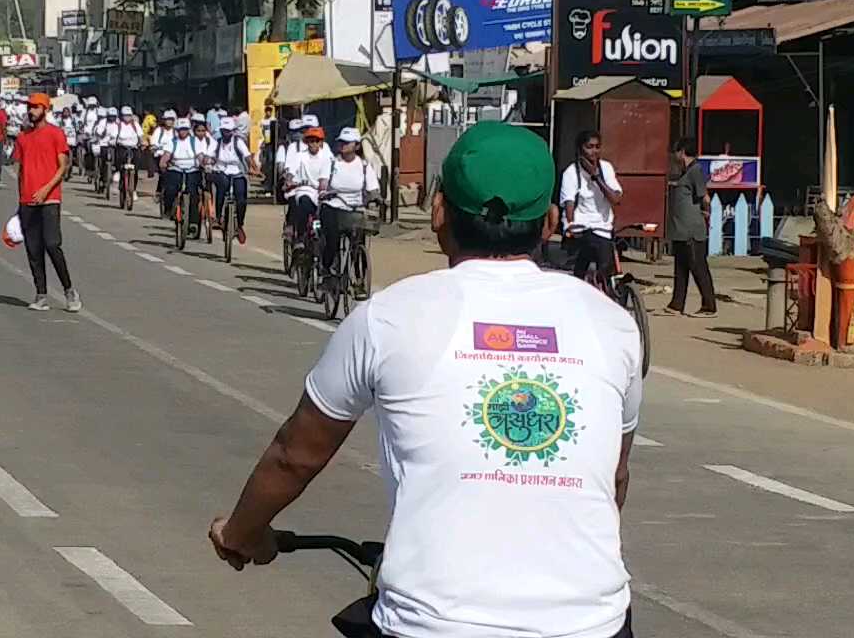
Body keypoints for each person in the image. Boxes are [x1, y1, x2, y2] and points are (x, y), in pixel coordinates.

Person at [209, 122, 642, 638]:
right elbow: (615, 474)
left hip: (432, 625)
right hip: (595, 622)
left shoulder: (388, 317)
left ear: (438, 212)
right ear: (550, 222)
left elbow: (295, 454)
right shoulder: (612, 324)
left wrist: (242, 534)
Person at [12, 93, 81, 313]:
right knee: (34, 249)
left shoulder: (55, 134)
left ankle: (69, 290)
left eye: (35, 107)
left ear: (45, 108)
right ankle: (41, 294)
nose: (31, 111)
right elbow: (20, 169)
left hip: (49, 198)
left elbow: (63, 166)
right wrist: (21, 201)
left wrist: (45, 189)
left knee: (52, 244)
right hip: (27, 200)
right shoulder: (23, 138)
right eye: (29, 107)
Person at [560, 130, 623, 285]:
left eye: (597, 147)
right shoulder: (571, 172)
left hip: (603, 226)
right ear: (581, 148)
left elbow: (615, 198)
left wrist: (596, 177)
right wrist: (570, 225)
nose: (594, 151)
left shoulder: (606, 168)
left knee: (607, 264)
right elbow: (569, 203)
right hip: (582, 226)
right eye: (589, 147)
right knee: (590, 250)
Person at [318, 127, 379, 280]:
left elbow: (373, 189)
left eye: (347, 142)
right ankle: (326, 270)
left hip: (355, 210)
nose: (343, 145)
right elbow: (323, 184)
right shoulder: (332, 163)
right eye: (341, 142)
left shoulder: (364, 166)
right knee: (332, 240)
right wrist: (324, 192)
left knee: (358, 243)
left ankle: (359, 279)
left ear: (357, 146)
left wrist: (375, 199)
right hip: (334, 207)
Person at [666, 138, 717, 318]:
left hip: (692, 231)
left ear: (682, 152)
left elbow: (705, 198)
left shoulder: (695, 171)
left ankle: (709, 306)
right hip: (680, 230)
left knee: (698, 267)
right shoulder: (684, 172)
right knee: (680, 268)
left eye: (675, 152)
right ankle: (676, 304)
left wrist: (706, 216)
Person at [211, 116, 257, 244]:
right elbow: (210, 156)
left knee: (241, 198)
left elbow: (247, 157)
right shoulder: (217, 142)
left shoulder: (238, 142)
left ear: (233, 131)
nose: (226, 133)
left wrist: (254, 169)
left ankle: (240, 225)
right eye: (224, 131)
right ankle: (219, 217)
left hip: (238, 171)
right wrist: (208, 162)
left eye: (228, 131)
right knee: (221, 188)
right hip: (221, 170)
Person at [283, 126, 331, 248]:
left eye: (316, 140)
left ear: (321, 142)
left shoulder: (326, 158)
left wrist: (324, 189)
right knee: (304, 203)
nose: (313, 144)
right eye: (310, 140)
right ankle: (300, 236)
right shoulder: (300, 156)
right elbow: (291, 171)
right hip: (304, 189)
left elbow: (325, 179)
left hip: (320, 192)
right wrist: (289, 180)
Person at [160, 117, 202, 235]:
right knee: (170, 190)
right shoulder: (172, 141)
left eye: (185, 129)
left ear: (188, 130)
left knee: (194, 194)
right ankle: (169, 209)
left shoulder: (194, 141)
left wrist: (204, 163)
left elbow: (200, 155)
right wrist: (163, 162)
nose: (182, 132)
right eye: (180, 129)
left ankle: (193, 222)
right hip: (176, 169)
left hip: (192, 170)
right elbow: (167, 155)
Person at [114, 106, 145, 201]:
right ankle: (119, 173)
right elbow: (114, 135)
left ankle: (133, 189)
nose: (127, 118)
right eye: (125, 116)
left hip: (133, 148)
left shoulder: (135, 125)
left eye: (129, 116)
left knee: (135, 168)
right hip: (122, 147)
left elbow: (141, 136)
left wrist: (143, 143)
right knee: (119, 160)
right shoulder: (118, 125)